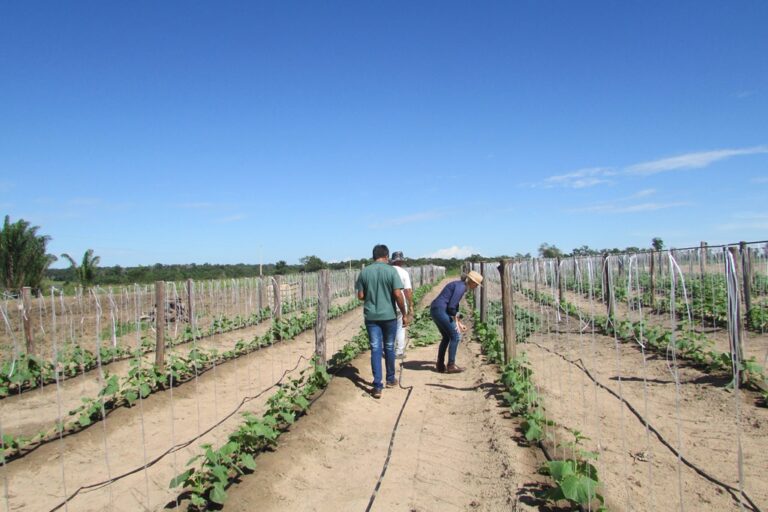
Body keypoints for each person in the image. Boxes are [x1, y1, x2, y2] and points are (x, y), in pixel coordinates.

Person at [356, 244, 409, 398]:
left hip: (371, 316)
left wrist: (372, 298)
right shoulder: (391, 271)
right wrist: (404, 313)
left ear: (374, 256)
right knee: (389, 347)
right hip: (389, 316)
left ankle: (377, 385)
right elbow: (398, 294)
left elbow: (360, 296)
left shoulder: (365, 272)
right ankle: (391, 379)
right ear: (386, 256)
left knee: (375, 348)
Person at [430, 270, 483, 373]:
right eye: (476, 284)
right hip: (441, 311)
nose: (476, 287)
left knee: (446, 337)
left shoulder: (459, 285)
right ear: (471, 282)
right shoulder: (461, 287)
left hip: (436, 310)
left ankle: (440, 365)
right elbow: (451, 308)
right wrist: (459, 317)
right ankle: (451, 365)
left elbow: (453, 308)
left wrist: (458, 322)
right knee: (456, 336)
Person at [389, 251, 414, 358]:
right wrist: (411, 305)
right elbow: (407, 291)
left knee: (388, 327)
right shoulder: (404, 273)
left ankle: (388, 350)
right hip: (400, 304)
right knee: (401, 326)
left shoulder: (387, 271)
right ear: (401, 261)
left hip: (387, 303)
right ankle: (399, 351)